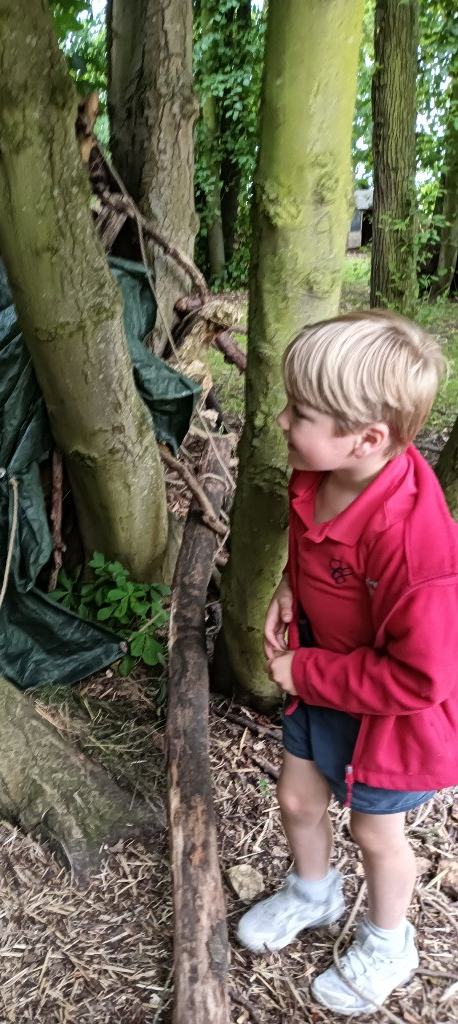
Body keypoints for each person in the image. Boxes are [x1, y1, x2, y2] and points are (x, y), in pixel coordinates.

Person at [235, 310, 458, 1015]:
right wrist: (289, 587)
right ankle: (311, 891)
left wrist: (305, 673)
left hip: (391, 717)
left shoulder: (414, 546)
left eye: (299, 412)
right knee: (298, 798)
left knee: (373, 831)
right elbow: (314, 546)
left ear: (367, 439)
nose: (279, 421)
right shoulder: (322, 471)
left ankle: (389, 944)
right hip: (326, 681)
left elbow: (421, 678)